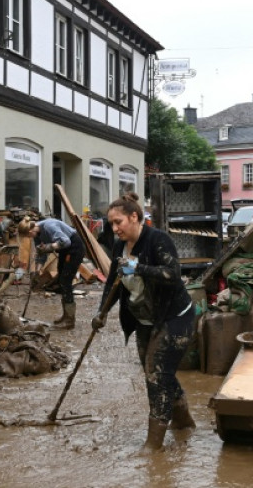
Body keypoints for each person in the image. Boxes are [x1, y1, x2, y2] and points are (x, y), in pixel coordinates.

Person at [91, 192, 196, 451]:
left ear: (134, 217)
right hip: (145, 320)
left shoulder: (157, 240)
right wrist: (102, 312)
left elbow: (173, 274)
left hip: (174, 317)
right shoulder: (119, 247)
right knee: (157, 372)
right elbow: (113, 283)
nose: (114, 229)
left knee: (156, 376)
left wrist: (138, 268)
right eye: (111, 224)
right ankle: (183, 422)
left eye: (118, 222)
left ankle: (153, 444)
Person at [20, 218, 84, 329]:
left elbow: (66, 241)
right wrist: (37, 272)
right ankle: (66, 316)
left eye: (28, 236)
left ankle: (70, 320)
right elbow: (41, 254)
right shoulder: (37, 235)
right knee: (61, 281)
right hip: (64, 251)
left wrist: (50, 247)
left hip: (74, 248)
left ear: (30, 231)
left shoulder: (49, 226)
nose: (30, 238)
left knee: (65, 281)